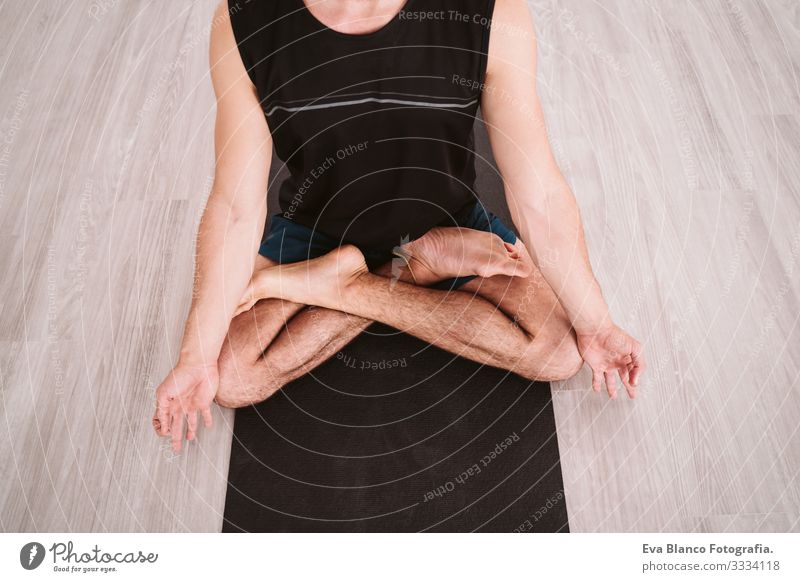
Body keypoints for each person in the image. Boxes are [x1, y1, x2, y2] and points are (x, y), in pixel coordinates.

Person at [153, 0, 646, 453]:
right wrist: (195, 358)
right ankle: (412, 268)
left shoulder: (492, 11)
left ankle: (350, 282)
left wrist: (598, 326)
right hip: (317, 231)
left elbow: (538, 193)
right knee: (232, 377)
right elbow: (235, 207)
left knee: (561, 351)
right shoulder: (244, 19)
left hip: (446, 218)